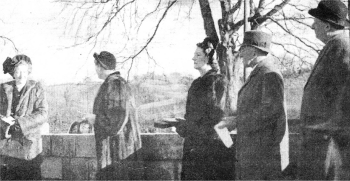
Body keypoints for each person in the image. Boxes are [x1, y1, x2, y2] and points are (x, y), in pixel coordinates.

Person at [219, 30, 289, 180]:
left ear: (253, 50)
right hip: (253, 157)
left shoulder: (269, 74)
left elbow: (269, 114)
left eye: (243, 49)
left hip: (261, 160)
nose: (240, 54)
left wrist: (236, 121)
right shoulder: (259, 73)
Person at [298, 0, 350, 179]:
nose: (313, 26)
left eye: (316, 23)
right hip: (322, 141)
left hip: (330, 143)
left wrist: (331, 128)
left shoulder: (342, 47)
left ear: (327, 25)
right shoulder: (334, 46)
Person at [174, 37, 235, 180]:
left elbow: (217, 117)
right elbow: (193, 115)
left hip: (212, 147)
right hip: (195, 145)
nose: (193, 58)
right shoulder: (196, 83)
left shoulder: (217, 81)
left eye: (198, 55)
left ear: (209, 57)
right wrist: (183, 124)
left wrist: (188, 127)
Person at [83, 51, 142, 180]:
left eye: (96, 65)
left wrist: (95, 119)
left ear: (100, 66)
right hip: (120, 151)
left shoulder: (114, 84)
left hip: (118, 152)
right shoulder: (117, 83)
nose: (95, 69)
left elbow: (115, 124)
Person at [0, 55, 48, 180]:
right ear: (12, 73)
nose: (22, 75)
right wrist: (5, 123)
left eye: (25, 72)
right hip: (7, 149)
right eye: (18, 71)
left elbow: (43, 114)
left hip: (29, 149)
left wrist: (19, 123)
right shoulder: (3, 89)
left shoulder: (36, 88)